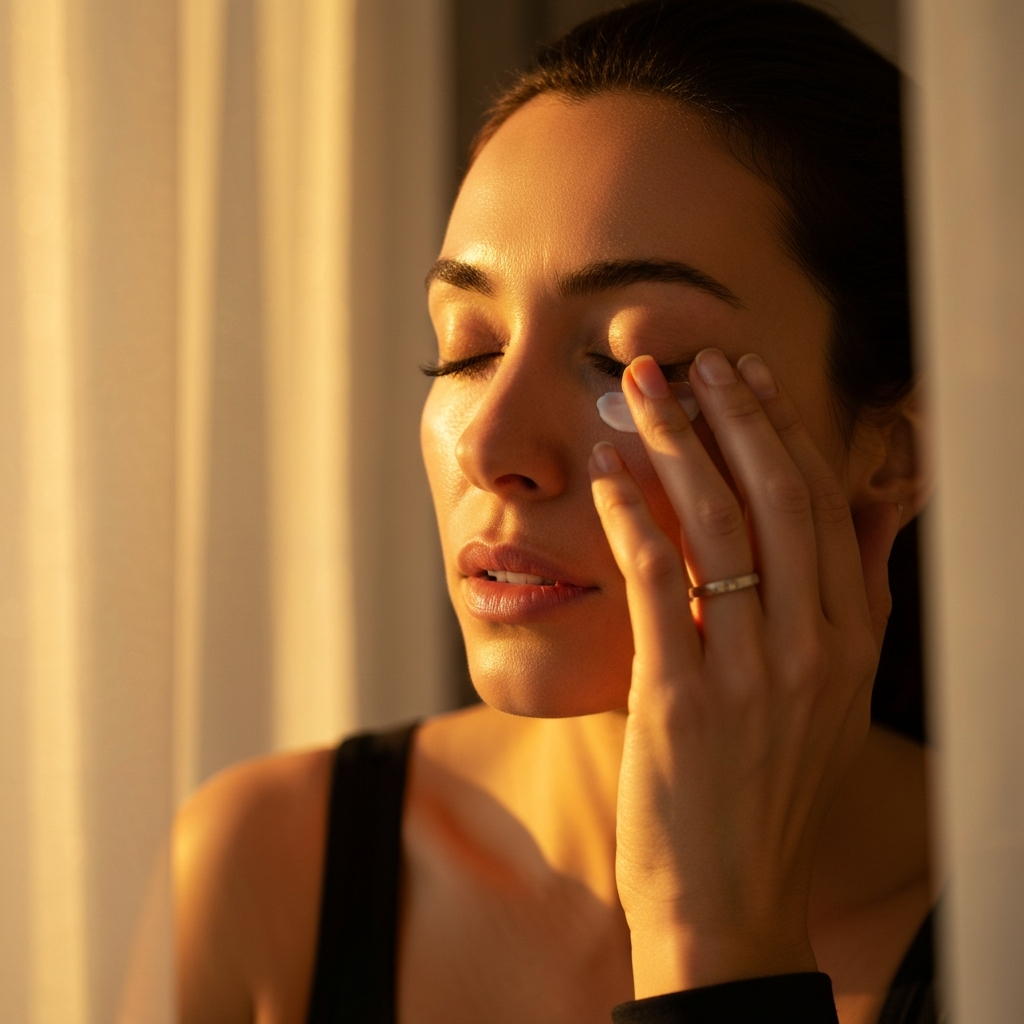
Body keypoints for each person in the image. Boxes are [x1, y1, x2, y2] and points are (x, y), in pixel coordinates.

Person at [174, 2, 937, 1022]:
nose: (491, 449)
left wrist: (715, 940)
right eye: (468, 348)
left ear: (891, 452)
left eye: (635, 364)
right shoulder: (268, 867)